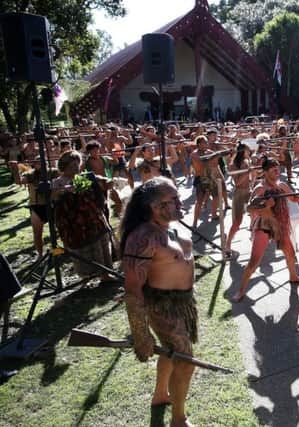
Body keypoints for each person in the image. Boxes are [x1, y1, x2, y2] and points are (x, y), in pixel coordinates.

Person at [120, 177, 196, 427]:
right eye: (172, 200)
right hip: (160, 305)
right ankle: (178, 419)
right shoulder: (143, 237)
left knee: (170, 350)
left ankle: (161, 394)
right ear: (155, 206)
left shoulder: (173, 225)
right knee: (184, 361)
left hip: (183, 303)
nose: (179, 202)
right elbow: (132, 289)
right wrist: (140, 334)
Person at [233, 157, 299, 301]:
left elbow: (294, 199)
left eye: (278, 169)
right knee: (254, 261)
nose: (277, 172)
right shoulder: (260, 188)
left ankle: (293, 276)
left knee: (290, 253)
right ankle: (241, 291)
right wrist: (266, 205)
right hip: (264, 226)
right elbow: (249, 208)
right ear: (265, 172)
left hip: (280, 225)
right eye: (274, 170)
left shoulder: (282, 186)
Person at [51, 150, 115, 282]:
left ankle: (105, 274)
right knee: (81, 247)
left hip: (93, 218)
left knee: (100, 243)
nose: (75, 168)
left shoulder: (85, 177)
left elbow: (102, 180)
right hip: (74, 222)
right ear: (64, 167)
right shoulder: (58, 182)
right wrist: (66, 190)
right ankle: (88, 275)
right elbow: (53, 195)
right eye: (71, 166)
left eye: (77, 165)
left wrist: (108, 181)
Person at [8, 157, 59, 257]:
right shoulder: (31, 174)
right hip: (37, 207)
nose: (42, 165)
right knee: (37, 233)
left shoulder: (53, 172)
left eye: (43, 162)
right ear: (35, 165)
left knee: (59, 230)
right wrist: (14, 169)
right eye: (39, 163)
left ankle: (58, 251)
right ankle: (40, 255)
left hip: (52, 205)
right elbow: (19, 181)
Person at [225, 142, 256, 256]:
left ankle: (254, 235)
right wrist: (246, 173)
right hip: (239, 193)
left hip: (248, 191)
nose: (250, 153)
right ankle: (228, 245)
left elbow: (253, 177)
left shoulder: (247, 161)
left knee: (256, 214)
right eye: (248, 151)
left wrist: (252, 183)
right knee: (237, 222)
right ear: (243, 151)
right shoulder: (233, 165)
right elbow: (237, 183)